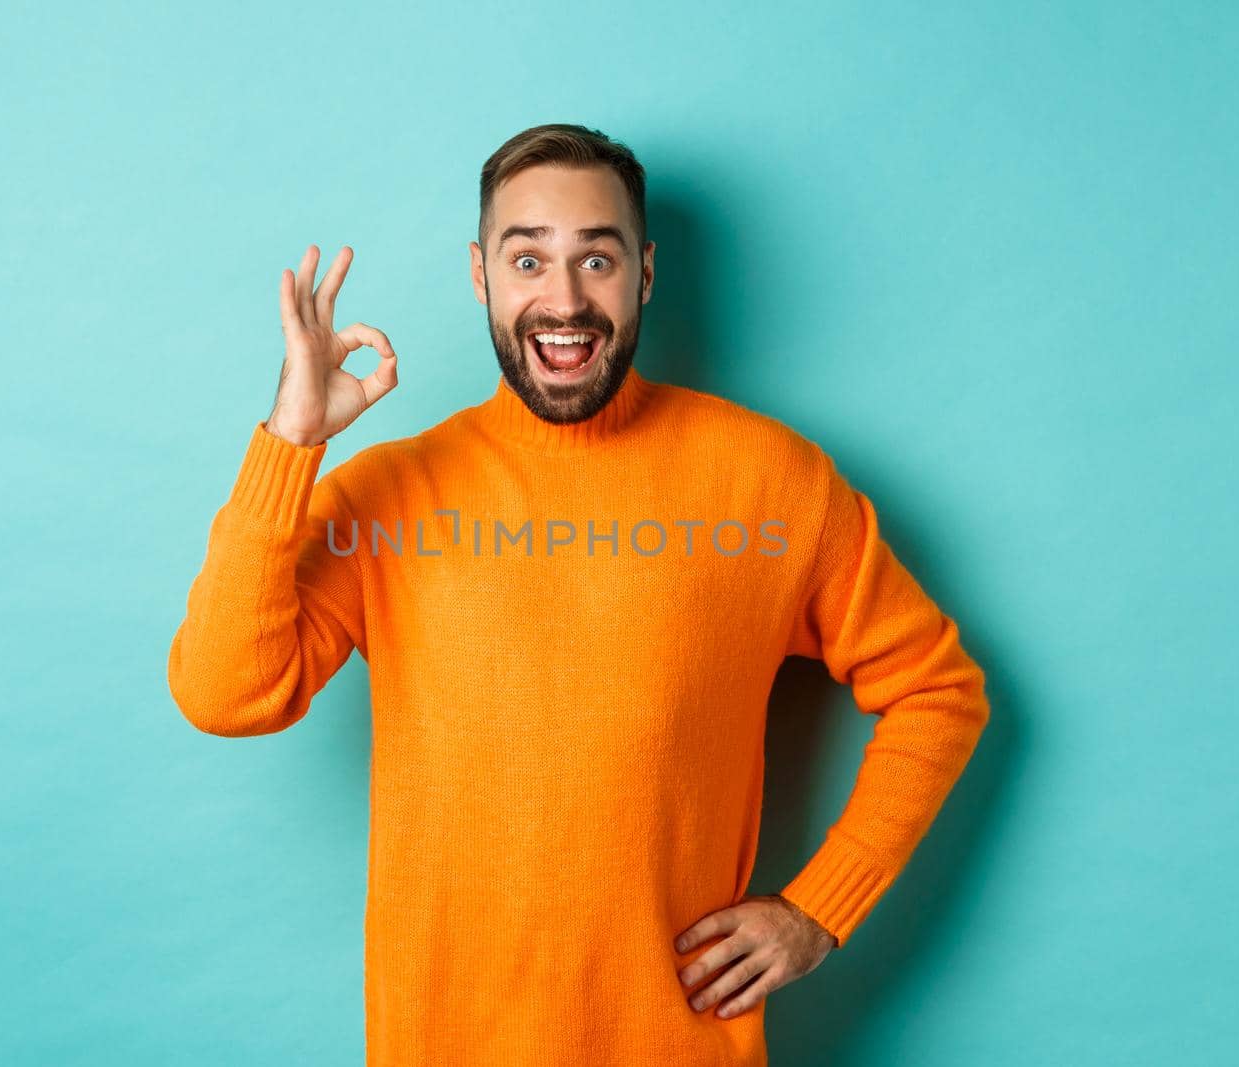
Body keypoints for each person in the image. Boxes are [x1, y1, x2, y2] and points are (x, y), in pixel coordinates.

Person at [167, 122, 990, 1066]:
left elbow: (937, 689)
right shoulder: (385, 498)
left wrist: (820, 907)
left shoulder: (772, 484)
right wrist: (291, 440)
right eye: (528, 259)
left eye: (596, 259)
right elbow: (226, 694)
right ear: (482, 275)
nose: (563, 300)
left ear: (644, 273)